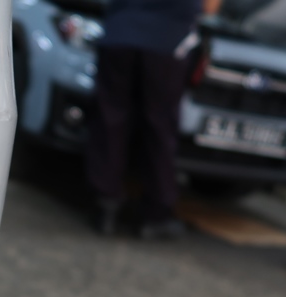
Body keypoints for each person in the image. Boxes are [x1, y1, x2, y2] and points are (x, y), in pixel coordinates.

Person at [86, 0, 222, 238]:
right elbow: (210, 8)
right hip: (167, 41)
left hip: (120, 33)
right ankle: (155, 215)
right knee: (160, 126)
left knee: (111, 119)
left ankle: (105, 205)